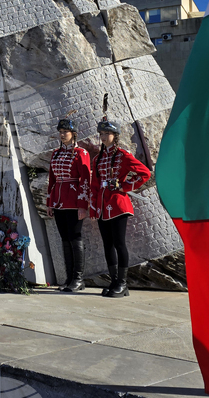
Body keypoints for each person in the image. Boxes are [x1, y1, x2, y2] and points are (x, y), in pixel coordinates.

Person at [89, 117, 151, 298]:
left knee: (119, 243)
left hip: (118, 205)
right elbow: (94, 185)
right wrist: (93, 208)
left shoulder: (123, 155)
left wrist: (124, 186)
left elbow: (144, 173)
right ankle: (114, 280)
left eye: (107, 133)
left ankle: (123, 283)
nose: (103, 136)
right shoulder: (98, 158)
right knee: (107, 245)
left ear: (115, 135)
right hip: (102, 205)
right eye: (101, 133)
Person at [46, 118, 91, 292]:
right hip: (58, 201)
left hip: (73, 200)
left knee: (75, 237)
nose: (62, 134)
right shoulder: (56, 153)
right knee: (65, 239)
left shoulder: (81, 153)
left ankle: (78, 278)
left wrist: (82, 205)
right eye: (61, 131)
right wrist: (50, 203)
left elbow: (85, 180)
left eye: (65, 131)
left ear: (73, 133)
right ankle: (69, 277)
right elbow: (52, 179)